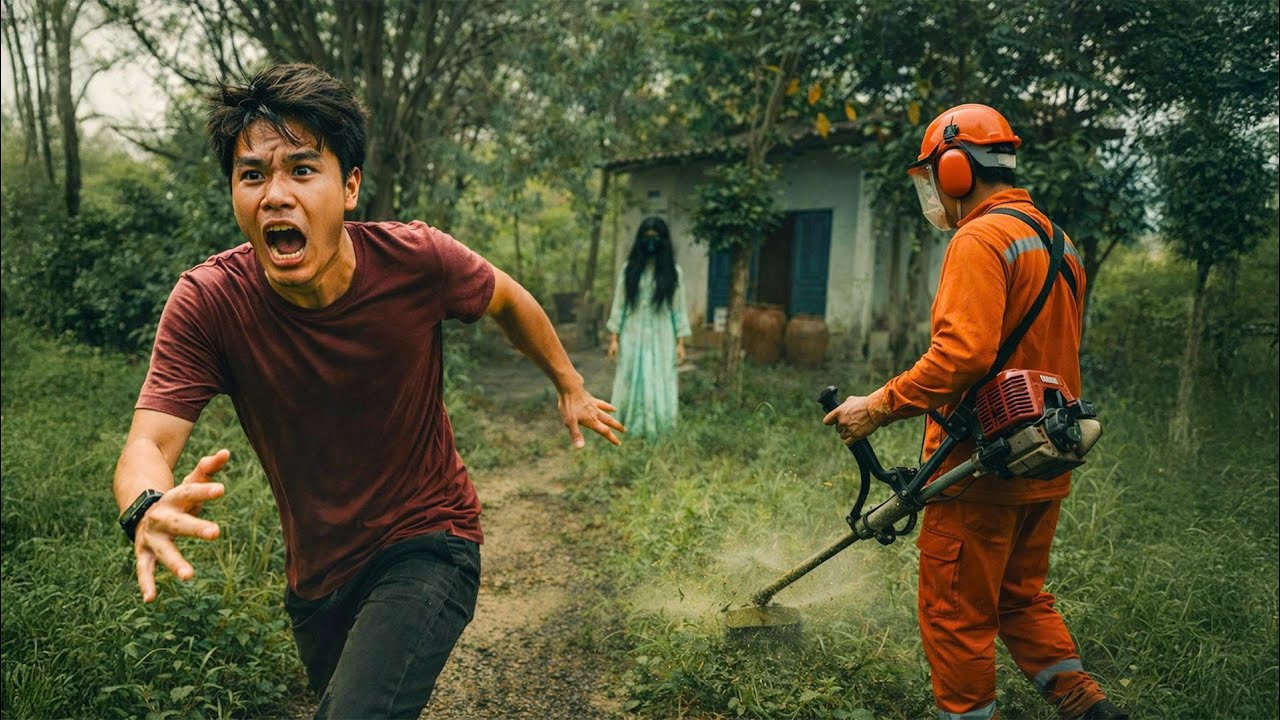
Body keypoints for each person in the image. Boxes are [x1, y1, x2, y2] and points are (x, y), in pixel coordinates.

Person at [111, 63, 624, 719]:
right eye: (252, 175)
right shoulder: (209, 302)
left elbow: (508, 298)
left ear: (349, 186)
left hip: (429, 540)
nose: (275, 194)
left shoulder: (417, 260)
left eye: (301, 170)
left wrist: (570, 384)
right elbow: (148, 441)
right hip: (317, 581)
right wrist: (146, 505)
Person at [822, 104, 1128, 720]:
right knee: (1020, 597)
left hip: (981, 466)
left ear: (957, 170)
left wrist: (878, 406)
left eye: (934, 175)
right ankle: (1086, 705)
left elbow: (961, 356)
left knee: (956, 615)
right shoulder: (1058, 243)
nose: (933, 191)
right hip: (1047, 454)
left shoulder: (981, 237)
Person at [605, 217, 693, 439]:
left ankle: (660, 429)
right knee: (630, 376)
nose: (651, 242)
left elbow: (678, 309)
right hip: (632, 333)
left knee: (659, 377)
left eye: (655, 237)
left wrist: (680, 343)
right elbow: (620, 305)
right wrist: (614, 338)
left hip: (662, 334)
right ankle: (627, 427)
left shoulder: (673, 273)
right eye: (646, 237)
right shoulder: (629, 270)